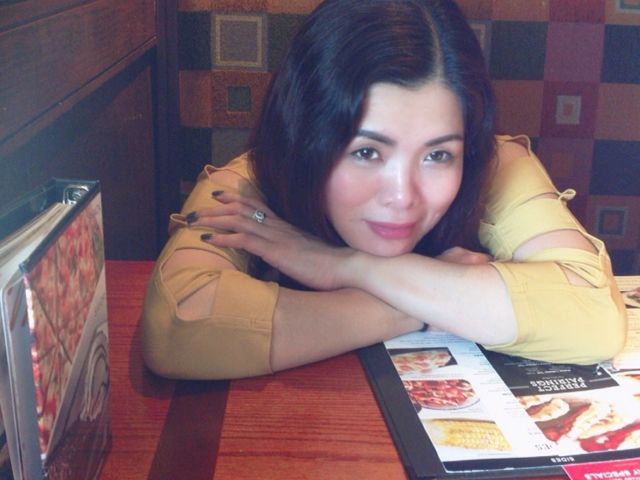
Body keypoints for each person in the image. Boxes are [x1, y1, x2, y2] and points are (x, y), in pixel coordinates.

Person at [141, 0, 627, 380]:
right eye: (367, 152)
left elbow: (593, 316)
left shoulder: (496, 166)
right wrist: (419, 304)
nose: (403, 196)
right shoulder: (246, 187)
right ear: (307, 136)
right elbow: (177, 329)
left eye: (438, 155)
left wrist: (346, 266)